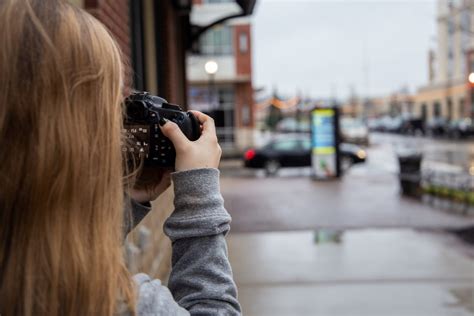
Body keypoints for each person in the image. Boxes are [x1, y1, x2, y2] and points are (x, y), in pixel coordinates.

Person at [0, 0, 241, 315]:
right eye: (113, 107)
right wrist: (199, 195)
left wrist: (124, 207)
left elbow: (46, 247)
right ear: (75, 137)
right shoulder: (112, 301)